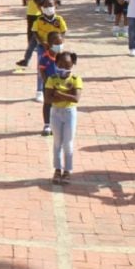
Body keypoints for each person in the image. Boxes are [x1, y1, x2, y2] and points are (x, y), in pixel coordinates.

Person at [45, 50, 81, 185]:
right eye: (61, 64)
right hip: (55, 112)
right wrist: (67, 95)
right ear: (56, 63)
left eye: (68, 65)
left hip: (69, 112)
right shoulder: (52, 78)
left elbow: (76, 98)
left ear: (73, 65)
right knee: (57, 142)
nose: (64, 68)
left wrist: (58, 93)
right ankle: (57, 169)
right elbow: (48, 99)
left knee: (68, 143)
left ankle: (67, 170)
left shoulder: (76, 79)